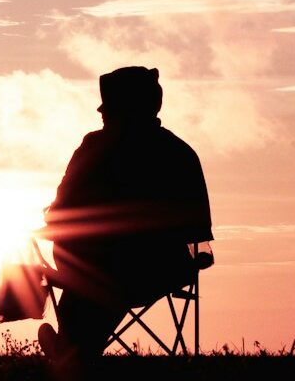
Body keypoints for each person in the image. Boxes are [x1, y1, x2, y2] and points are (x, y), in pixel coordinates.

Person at [38, 66, 213, 365]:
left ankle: (73, 350)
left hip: (98, 269)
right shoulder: (179, 153)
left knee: (98, 276)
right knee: (105, 276)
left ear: (121, 111)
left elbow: (59, 213)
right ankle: (72, 349)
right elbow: (199, 232)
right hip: (161, 270)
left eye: (107, 111)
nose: (102, 116)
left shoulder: (93, 148)